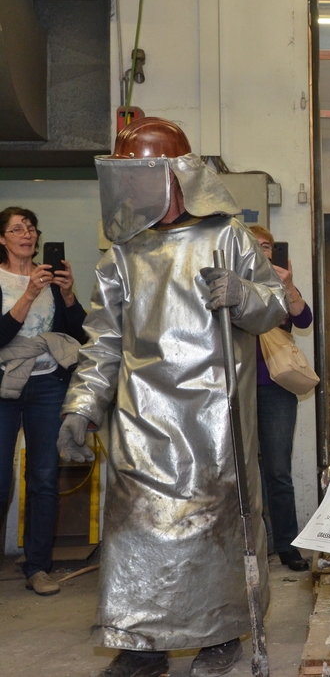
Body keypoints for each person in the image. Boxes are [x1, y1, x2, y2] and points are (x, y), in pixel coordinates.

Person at [56, 117, 288, 677]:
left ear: (178, 177)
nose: (135, 191)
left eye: (145, 178)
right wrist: (81, 405)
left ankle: (221, 635)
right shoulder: (123, 255)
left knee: (216, 533)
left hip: (214, 420)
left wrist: (246, 293)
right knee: (140, 533)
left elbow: (277, 305)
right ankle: (143, 643)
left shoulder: (228, 235)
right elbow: (104, 341)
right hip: (141, 422)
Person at [0, 207, 87, 596]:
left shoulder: (49, 279)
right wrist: (30, 293)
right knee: (0, 481)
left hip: (48, 385)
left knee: (44, 479)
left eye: (31, 228)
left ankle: (38, 566)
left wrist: (66, 294)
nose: (27, 234)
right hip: (3, 386)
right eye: (17, 229)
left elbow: (77, 334)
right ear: (2, 238)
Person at [249, 225, 312, 572]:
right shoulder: (232, 282)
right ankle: (250, 544)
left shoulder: (280, 284)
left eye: (267, 246)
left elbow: (304, 319)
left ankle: (286, 545)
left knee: (277, 470)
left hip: (276, 387)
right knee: (240, 472)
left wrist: (287, 284)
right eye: (254, 246)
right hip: (234, 388)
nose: (262, 251)